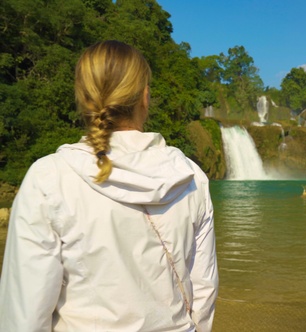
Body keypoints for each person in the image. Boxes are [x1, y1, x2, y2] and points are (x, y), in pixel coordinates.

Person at [0, 40, 218, 331]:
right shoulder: (191, 177)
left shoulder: (48, 179)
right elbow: (203, 292)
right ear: (145, 96)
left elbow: (25, 313)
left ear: (83, 97)